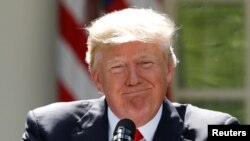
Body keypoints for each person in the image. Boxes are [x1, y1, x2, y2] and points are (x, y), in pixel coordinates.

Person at [22, 8, 239, 141]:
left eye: (145, 63)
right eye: (117, 67)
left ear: (169, 70)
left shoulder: (219, 129)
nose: (133, 79)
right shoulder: (47, 128)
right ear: (97, 79)